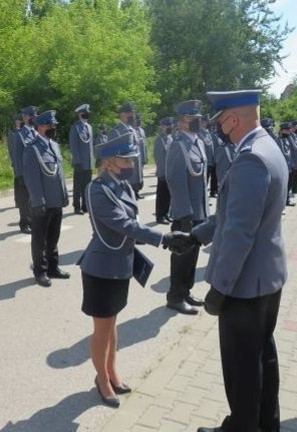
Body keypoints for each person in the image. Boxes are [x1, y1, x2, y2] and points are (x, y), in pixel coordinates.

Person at [190, 89, 288, 432]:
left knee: (241, 368)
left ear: (232, 118)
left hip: (244, 286)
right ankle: (264, 423)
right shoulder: (267, 147)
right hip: (267, 278)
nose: (221, 129)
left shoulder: (250, 158)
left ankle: (243, 427)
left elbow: (239, 233)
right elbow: (234, 215)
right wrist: (196, 235)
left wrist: (220, 288)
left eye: (221, 122)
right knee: (262, 357)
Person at [78, 132, 192, 408]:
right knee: (102, 329)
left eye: (131, 158)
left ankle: (113, 370)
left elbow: (133, 223)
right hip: (102, 268)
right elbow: (124, 225)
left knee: (113, 323)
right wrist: (164, 239)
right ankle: (101, 379)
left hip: (120, 265)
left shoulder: (123, 186)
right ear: (109, 162)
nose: (131, 163)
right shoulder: (97, 189)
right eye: (126, 159)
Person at [165, 100, 209, 315]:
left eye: (198, 118)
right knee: (182, 255)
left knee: (193, 255)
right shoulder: (178, 145)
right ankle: (174, 296)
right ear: (181, 122)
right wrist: (184, 215)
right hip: (186, 214)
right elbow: (175, 180)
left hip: (199, 211)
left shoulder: (198, 142)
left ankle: (186, 291)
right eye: (191, 118)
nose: (196, 121)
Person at [23, 110, 70, 287]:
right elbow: (32, 178)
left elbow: (59, 174)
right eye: (49, 125)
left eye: (54, 125)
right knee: (39, 240)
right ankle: (40, 271)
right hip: (42, 203)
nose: (53, 128)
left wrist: (64, 195)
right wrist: (38, 201)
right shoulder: (32, 148)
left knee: (53, 237)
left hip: (56, 200)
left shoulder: (54, 146)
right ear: (39, 127)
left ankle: (53, 267)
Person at [108, 102, 145, 199]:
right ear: (123, 115)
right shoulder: (116, 131)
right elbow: (112, 155)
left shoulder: (133, 129)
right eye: (130, 113)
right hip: (123, 169)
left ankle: (134, 194)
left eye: (133, 113)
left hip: (133, 166)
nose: (133, 115)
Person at [13, 106, 39, 234]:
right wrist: (20, 175)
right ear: (24, 117)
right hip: (25, 173)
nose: (33, 118)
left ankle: (33, 221)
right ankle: (24, 223)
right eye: (31, 116)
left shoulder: (37, 132)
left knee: (33, 198)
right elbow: (17, 156)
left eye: (34, 116)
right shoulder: (19, 135)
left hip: (36, 172)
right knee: (24, 199)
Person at [69, 103, 94, 215]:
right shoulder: (75, 127)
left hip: (88, 162)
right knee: (78, 186)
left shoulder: (89, 127)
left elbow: (90, 145)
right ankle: (76, 206)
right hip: (80, 162)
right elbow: (74, 145)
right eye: (85, 113)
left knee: (87, 185)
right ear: (80, 114)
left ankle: (85, 205)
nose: (87, 114)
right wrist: (77, 161)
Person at [153, 117, 174, 224]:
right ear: (162, 127)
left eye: (171, 125)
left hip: (170, 172)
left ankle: (166, 214)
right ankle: (160, 216)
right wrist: (161, 173)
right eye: (167, 125)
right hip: (163, 173)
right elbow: (159, 158)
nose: (170, 127)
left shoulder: (170, 138)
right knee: (161, 196)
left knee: (168, 195)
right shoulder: (159, 139)